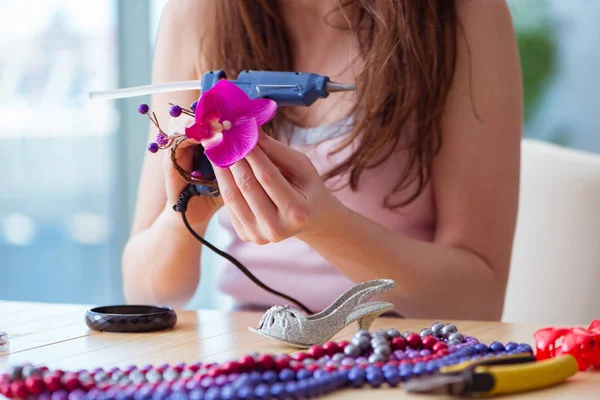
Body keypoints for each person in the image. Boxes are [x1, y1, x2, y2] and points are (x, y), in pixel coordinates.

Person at [122, 0, 523, 321]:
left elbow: (479, 302)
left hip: (405, 354)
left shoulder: (464, 14)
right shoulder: (197, 11)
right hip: (254, 353)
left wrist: (324, 225)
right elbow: (146, 291)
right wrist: (184, 215)